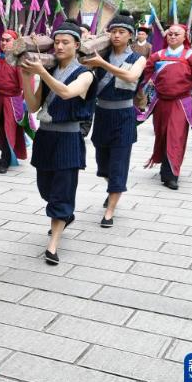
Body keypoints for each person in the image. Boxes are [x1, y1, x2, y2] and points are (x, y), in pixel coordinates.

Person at [21, 20, 95, 265]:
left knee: (61, 191)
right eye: (57, 42)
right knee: (46, 189)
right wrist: (26, 77)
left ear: (77, 45)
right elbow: (33, 106)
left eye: (66, 42)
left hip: (68, 138)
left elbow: (66, 92)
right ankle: (64, 214)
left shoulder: (85, 74)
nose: (60, 46)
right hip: (45, 136)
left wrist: (42, 73)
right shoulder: (50, 71)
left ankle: (53, 244)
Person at [82, 13, 146, 227]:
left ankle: (109, 211)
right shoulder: (100, 54)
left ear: (130, 36)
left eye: (122, 32)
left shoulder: (138, 59)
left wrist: (102, 64)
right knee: (103, 165)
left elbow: (131, 77)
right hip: (102, 115)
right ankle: (113, 189)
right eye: (113, 31)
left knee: (118, 164)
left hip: (124, 117)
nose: (116, 35)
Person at [139, 24, 192, 189]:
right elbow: (143, 76)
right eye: (170, 34)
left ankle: (172, 175)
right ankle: (164, 168)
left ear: (185, 37)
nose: (173, 36)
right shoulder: (157, 56)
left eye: (177, 34)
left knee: (176, 137)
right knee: (162, 135)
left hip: (181, 103)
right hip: (160, 103)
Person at [0, 29, 30, 174]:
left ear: (14, 42)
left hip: (13, 101)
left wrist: (23, 102)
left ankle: (5, 158)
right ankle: (5, 154)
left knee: (9, 129)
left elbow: (25, 85)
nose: (4, 42)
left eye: (7, 40)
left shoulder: (18, 61)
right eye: (2, 40)